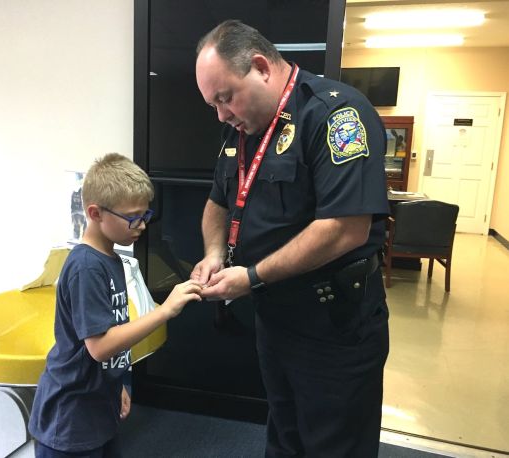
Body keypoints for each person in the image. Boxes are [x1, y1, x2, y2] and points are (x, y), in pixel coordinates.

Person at [192, 20, 390, 457]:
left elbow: (344, 228)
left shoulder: (336, 115)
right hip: (274, 317)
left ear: (261, 67)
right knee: (284, 436)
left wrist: (251, 277)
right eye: (213, 104)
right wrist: (214, 254)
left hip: (334, 324)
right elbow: (218, 202)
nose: (221, 114)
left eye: (225, 97)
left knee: (335, 445)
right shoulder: (240, 129)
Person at [29, 153, 202, 457]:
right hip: (69, 417)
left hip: (99, 402)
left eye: (145, 216)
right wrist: (164, 311)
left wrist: (116, 383)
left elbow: (110, 333)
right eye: (134, 217)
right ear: (95, 213)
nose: (142, 226)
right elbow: (99, 346)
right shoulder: (86, 267)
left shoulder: (111, 259)